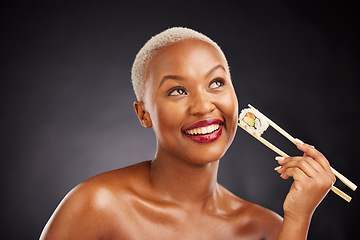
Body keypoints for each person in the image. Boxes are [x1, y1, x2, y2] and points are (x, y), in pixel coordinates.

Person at [40, 27, 335, 239]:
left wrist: (298, 218)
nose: (203, 106)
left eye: (216, 83)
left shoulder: (266, 228)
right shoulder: (97, 204)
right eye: (177, 90)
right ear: (144, 114)